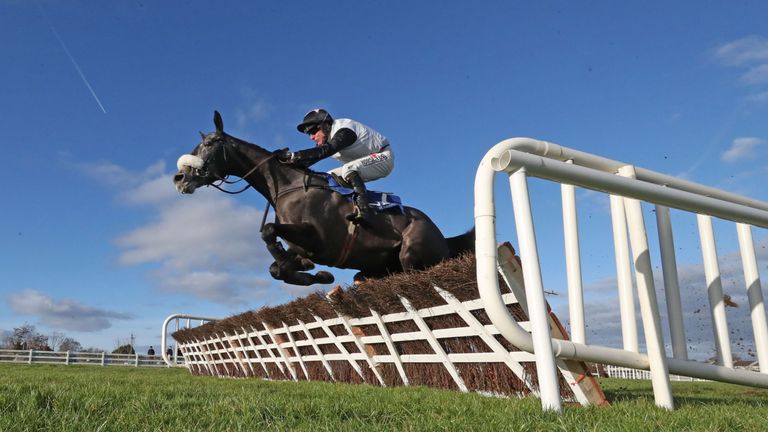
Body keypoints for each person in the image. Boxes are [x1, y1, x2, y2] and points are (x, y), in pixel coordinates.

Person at [279, 109, 394, 225]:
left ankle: (364, 210)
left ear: (326, 125)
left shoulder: (344, 130)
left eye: (313, 131)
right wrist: (284, 164)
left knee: (349, 169)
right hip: (365, 162)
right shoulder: (327, 138)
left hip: (384, 157)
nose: (311, 137)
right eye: (308, 134)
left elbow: (326, 150)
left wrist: (295, 155)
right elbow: (313, 158)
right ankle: (343, 209)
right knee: (328, 178)